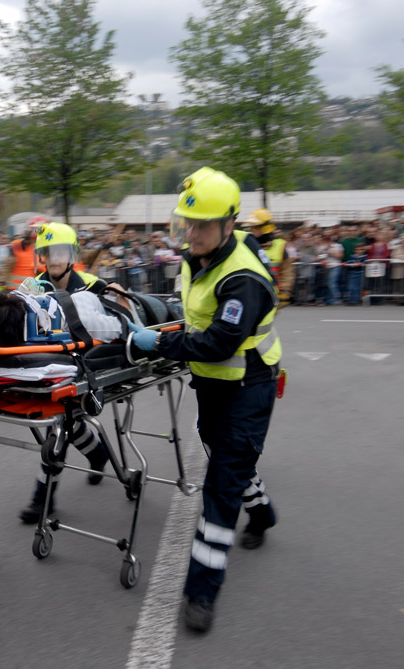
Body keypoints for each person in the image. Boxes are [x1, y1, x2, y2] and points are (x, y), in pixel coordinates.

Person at [129, 166, 281, 633]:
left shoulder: (244, 279)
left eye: (201, 225)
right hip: (214, 384)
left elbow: (218, 342)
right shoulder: (198, 257)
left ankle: (201, 590)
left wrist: (161, 345)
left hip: (248, 386)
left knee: (221, 485)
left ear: (228, 224)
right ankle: (263, 513)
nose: (190, 233)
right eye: (186, 224)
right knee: (224, 454)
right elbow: (192, 316)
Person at [16, 221, 111, 524]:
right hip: (49, 367)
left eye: (60, 252)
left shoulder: (94, 286)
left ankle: (41, 499)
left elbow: (110, 325)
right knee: (66, 423)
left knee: (58, 427)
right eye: (48, 253)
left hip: (86, 368)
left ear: (72, 255)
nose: (54, 259)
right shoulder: (32, 287)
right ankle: (97, 453)